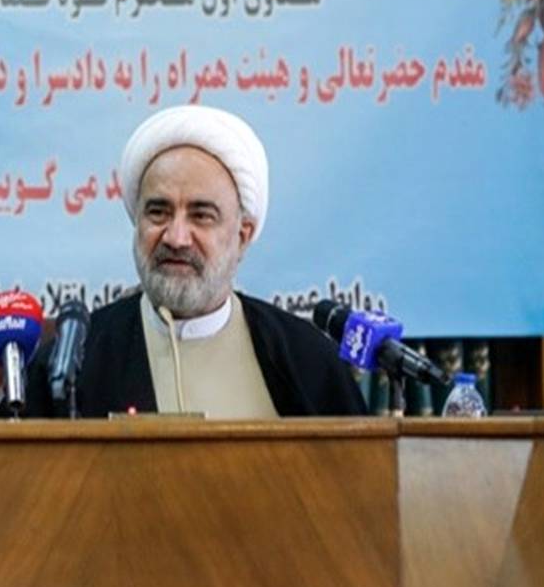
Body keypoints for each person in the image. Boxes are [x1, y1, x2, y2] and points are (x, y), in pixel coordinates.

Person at [19, 105, 366, 418]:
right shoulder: (71, 363)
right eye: (158, 212)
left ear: (242, 236)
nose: (176, 237)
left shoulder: (307, 359)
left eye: (201, 215)